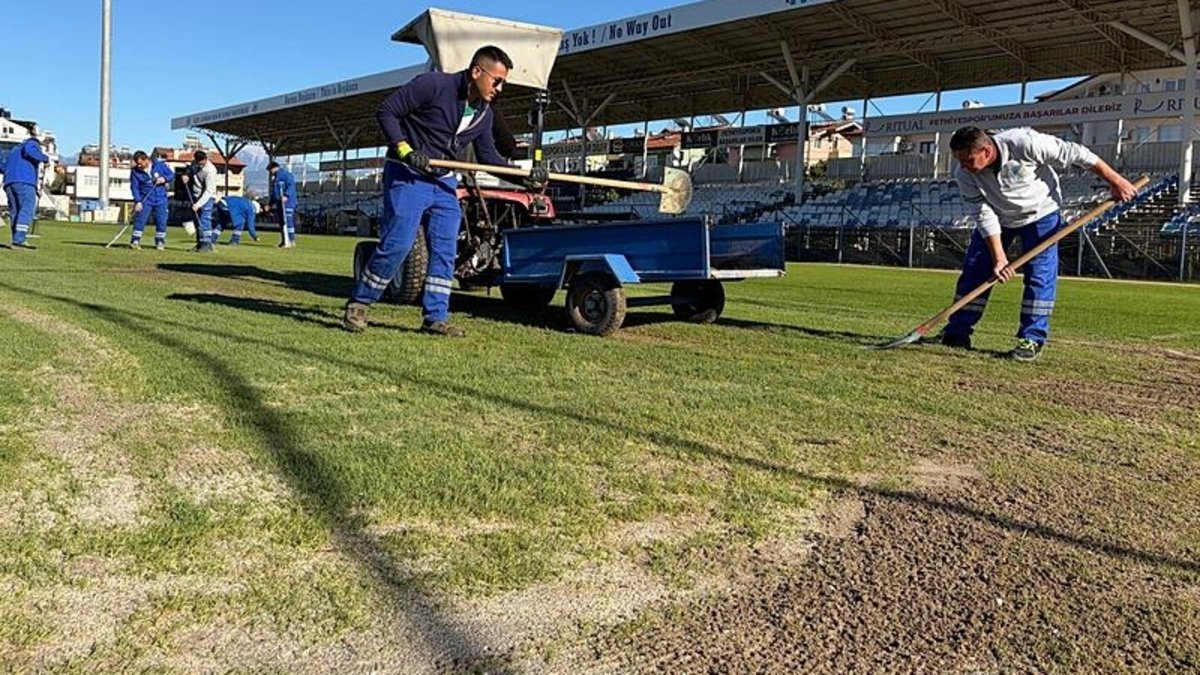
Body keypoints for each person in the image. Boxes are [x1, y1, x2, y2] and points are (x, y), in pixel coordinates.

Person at [342, 45, 547, 336]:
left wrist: (524, 179)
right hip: (408, 175)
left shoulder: (484, 114)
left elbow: (489, 157)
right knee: (398, 244)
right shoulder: (433, 85)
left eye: (503, 83)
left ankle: (435, 318)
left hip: (444, 183)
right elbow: (387, 111)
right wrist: (406, 150)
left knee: (445, 250)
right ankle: (359, 303)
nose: (500, 88)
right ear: (477, 72)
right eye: (497, 81)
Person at [939, 126, 1136, 361]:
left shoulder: (1026, 143)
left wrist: (1116, 181)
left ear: (987, 151)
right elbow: (983, 214)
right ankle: (957, 332)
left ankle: (1031, 338)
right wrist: (999, 258)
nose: (963, 166)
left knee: (1039, 276)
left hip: (1041, 214)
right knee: (975, 270)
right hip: (999, 217)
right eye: (959, 160)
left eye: (968, 160)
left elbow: (1079, 154)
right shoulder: (964, 174)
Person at [2, 134, 50, 250]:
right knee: (26, 209)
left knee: (15, 211)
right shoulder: (32, 143)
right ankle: (19, 240)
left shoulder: (14, 150)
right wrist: (45, 158)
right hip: (25, 180)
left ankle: (15, 239)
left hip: (9, 183)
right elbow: (29, 150)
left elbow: (3, 165)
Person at [128, 150, 175, 250]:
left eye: (140, 163)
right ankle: (135, 241)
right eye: (137, 164)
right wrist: (138, 201)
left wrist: (164, 179)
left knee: (161, 221)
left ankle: (160, 242)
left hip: (161, 199)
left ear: (146, 160)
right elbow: (134, 187)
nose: (139, 166)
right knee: (140, 220)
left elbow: (171, 175)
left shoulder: (160, 165)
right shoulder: (135, 172)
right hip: (145, 200)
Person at [180, 149, 219, 252]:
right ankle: (200, 244)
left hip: (208, 197)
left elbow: (209, 190)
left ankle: (207, 244)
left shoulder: (211, 170)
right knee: (197, 221)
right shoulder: (195, 163)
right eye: (198, 164)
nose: (200, 166)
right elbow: (190, 169)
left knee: (204, 219)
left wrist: (198, 204)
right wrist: (186, 175)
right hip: (196, 195)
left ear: (206, 159)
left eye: (202, 164)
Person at [267, 161, 297, 248]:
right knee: (282, 222)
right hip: (279, 204)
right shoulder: (275, 180)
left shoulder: (286, 175)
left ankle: (291, 240)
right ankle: (284, 240)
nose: (270, 172)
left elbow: (291, 186)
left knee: (288, 221)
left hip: (288, 203)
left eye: (270, 170)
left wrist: (286, 195)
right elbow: (274, 194)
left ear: (275, 168)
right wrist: (270, 204)